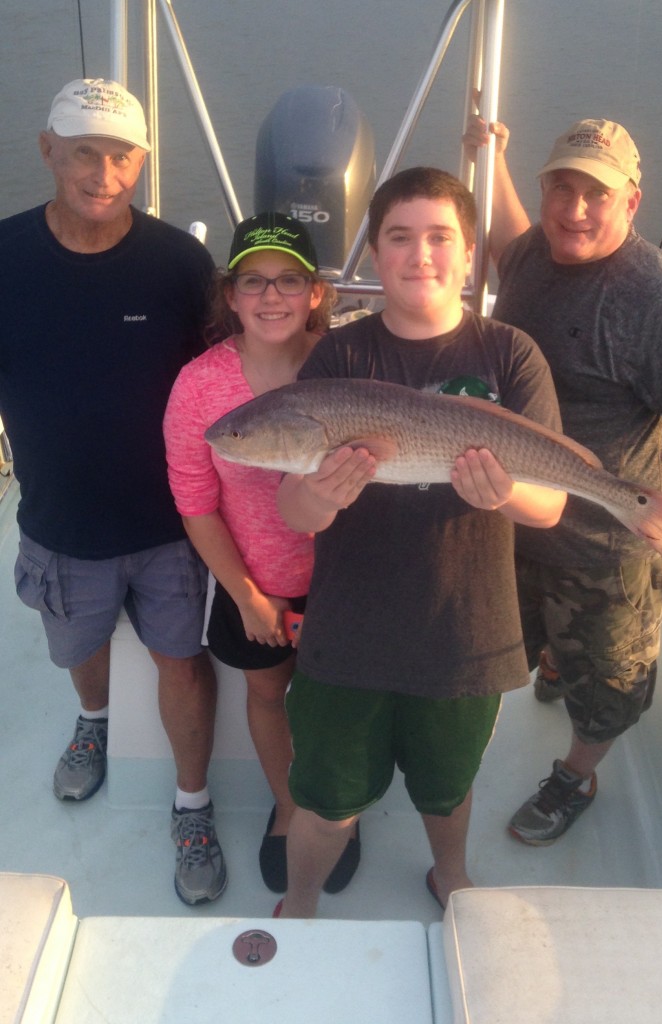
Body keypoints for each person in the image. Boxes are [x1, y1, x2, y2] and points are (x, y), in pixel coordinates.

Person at [272, 166, 567, 918]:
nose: (421, 255)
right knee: (328, 796)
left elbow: (550, 506)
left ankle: (451, 877)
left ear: (470, 253)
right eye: (400, 237)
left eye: (441, 237)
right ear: (374, 252)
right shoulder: (338, 358)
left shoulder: (512, 355)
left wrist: (505, 493)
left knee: (447, 786)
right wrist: (318, 492)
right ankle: (301, 901)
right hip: (349, 632)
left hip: (465, 631)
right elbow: (296, 514)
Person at [467, 115, 662, 844]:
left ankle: (576, 775)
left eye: (597, 194)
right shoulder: (536, 252)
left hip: (606, 548)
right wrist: (492, 153)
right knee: (515, 643)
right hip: (520, 520)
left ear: (632, 202)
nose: (575, 209)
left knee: (610, 691)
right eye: (561, 187)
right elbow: (507, 244)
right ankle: (553, 663)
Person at [0, 78, 226, 905]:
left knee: (182, 661)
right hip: (58, 524)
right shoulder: (5, 255)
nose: (102, 171)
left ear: (143, 162)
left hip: (171, 522)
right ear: (47, 149)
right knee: (79, 649)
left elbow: (230, 368)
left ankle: (192, 805)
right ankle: (92, 725)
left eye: (122, 153)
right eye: (85, 150)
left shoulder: (179, 263)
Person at [163, 212, 360, 895]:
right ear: (230, 294)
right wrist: (246, 594)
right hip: (256, 584)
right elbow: (195, 501)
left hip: (349, 584)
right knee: (269, 695)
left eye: (288, 281)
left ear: (315, 293)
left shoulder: (350, 365)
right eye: (254, 281)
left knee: (338, 700)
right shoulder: (198, 387)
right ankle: (289, 804)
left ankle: (335, 811)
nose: (271, 296)